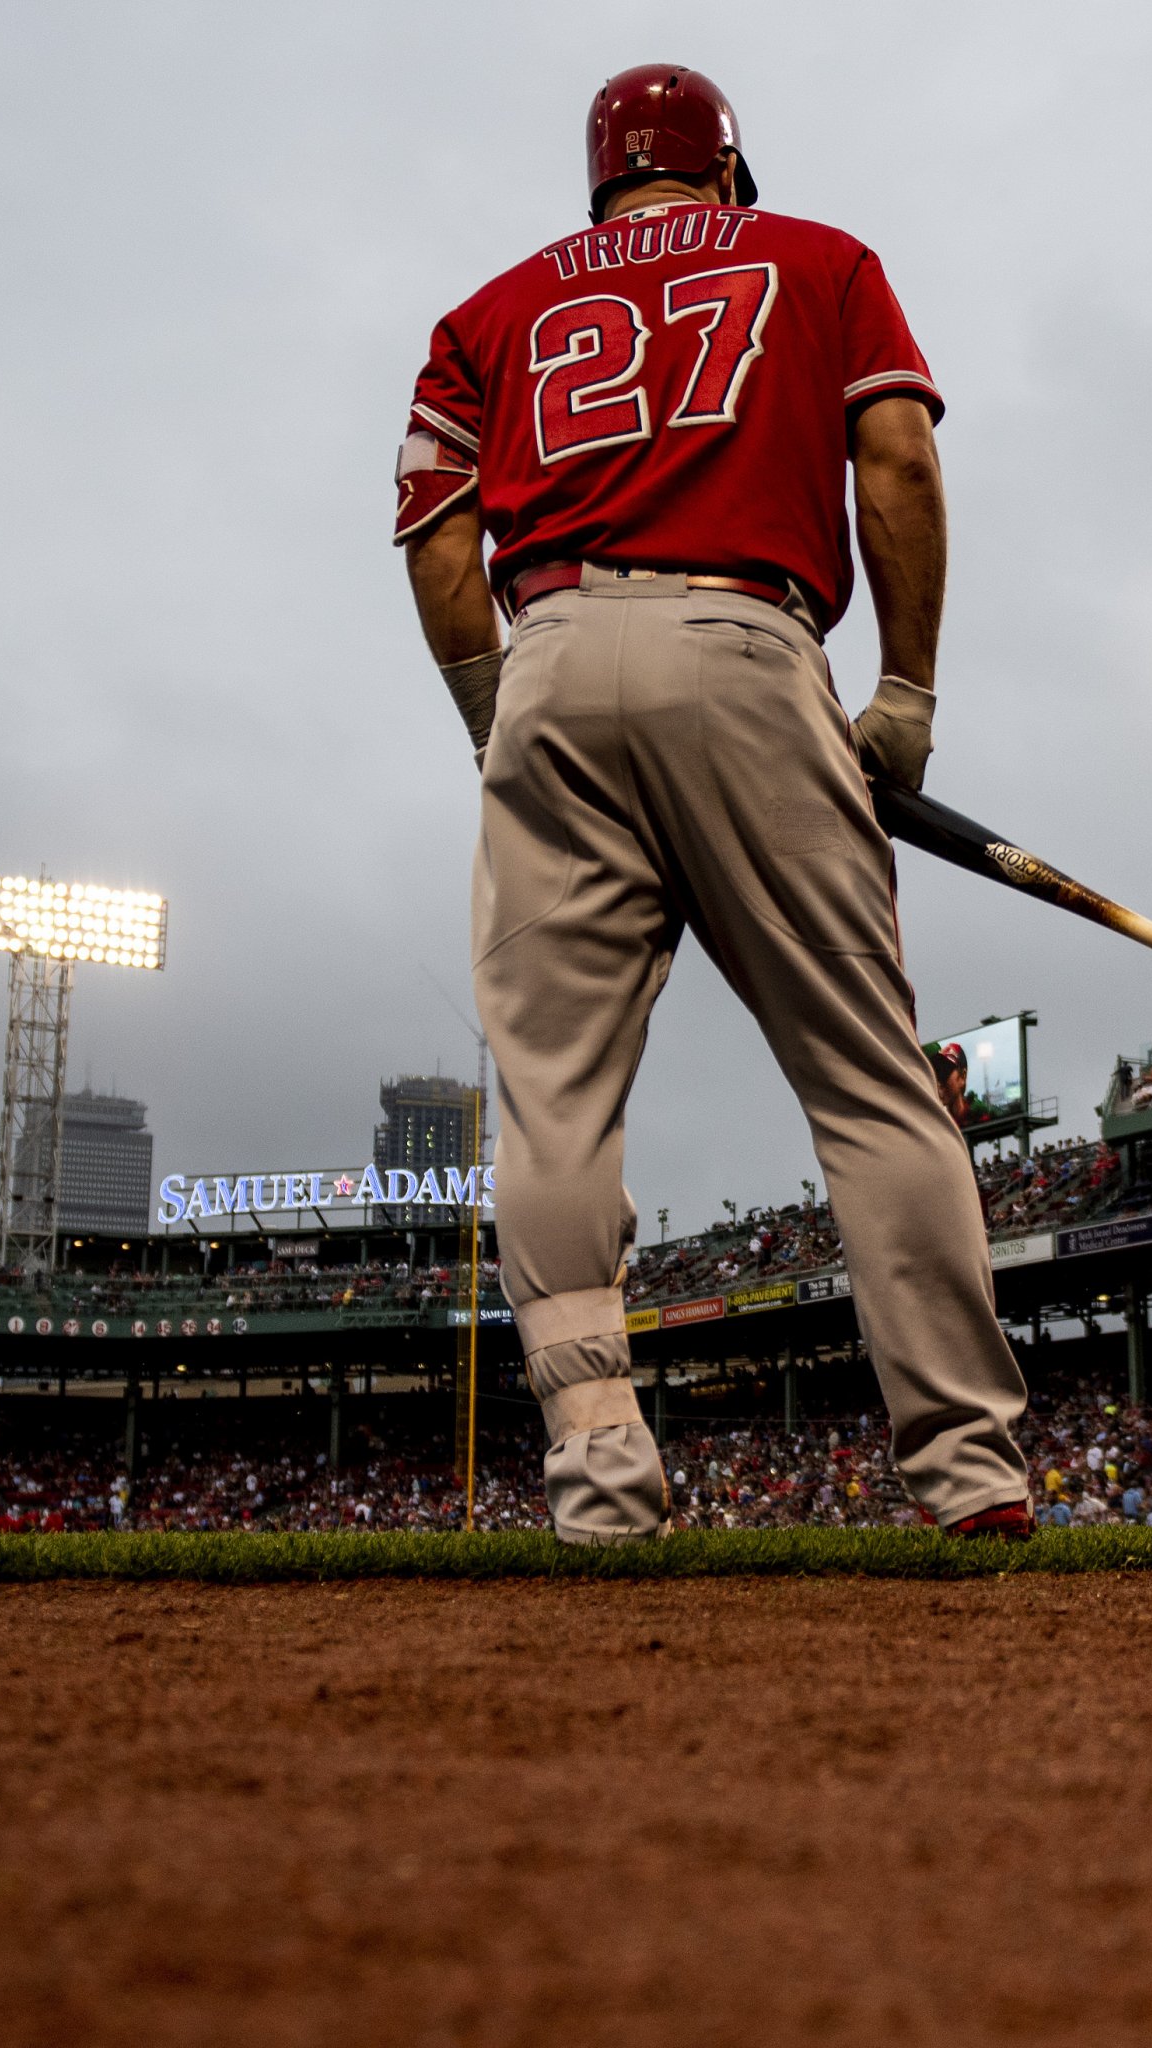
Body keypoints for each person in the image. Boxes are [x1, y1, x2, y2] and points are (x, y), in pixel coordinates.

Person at [393, 65, 1032, 1544]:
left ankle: (600, 1479)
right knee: (868, 1078)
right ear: (724, 170)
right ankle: (965, 1470)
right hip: (748, 641)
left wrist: (501, 717)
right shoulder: (816, 257)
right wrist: (907, 693)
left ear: (600, 181)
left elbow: (434, 538)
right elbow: (896, 455)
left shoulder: (484, 315)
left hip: (545, 650)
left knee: (550, 1105)